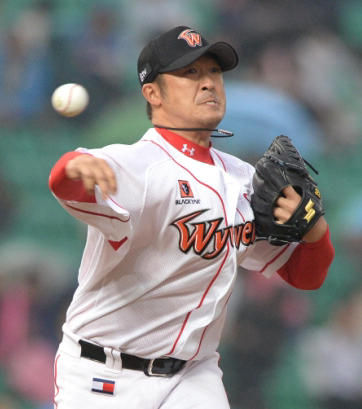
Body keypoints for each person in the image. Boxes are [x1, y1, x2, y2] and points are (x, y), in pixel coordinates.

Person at [48, 26, 335, 409]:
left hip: (193, 376)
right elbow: (68, 179)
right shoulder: (138, 166)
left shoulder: (245, 180)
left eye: (214, 71)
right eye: (190, 73)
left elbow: (305, 275)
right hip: (104, 372)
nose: (208, 83)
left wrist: (316, 229)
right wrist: (73, 168)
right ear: (153, 93)